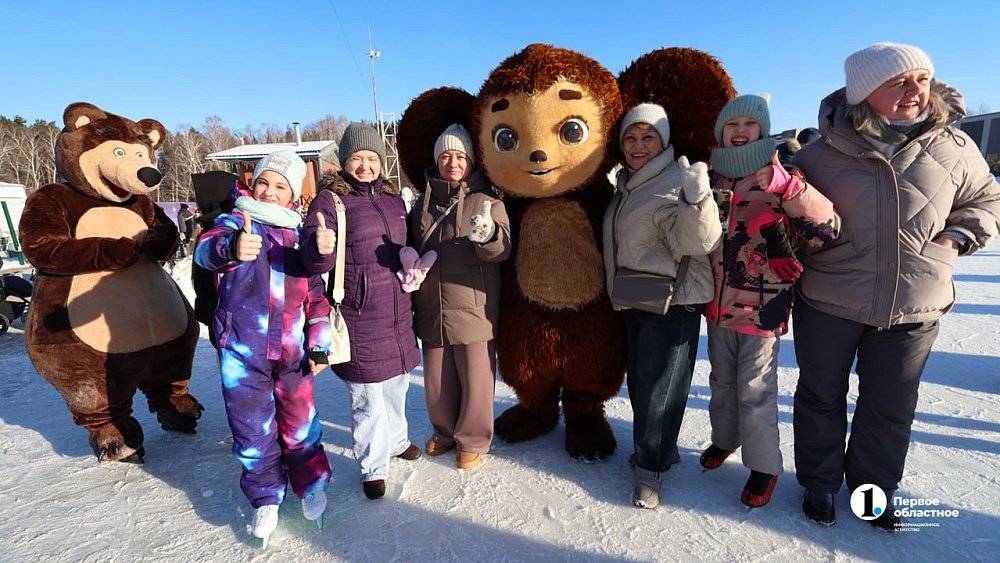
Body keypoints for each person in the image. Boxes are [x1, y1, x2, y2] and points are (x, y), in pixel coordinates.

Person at [791, 42, 1000, 531]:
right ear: (865, 93)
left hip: (915, 303)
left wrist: (957, 236)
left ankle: (872, 492)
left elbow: (986, 199)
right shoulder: (821, 154)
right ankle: (820, 485)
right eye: (899, 82)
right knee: (821, 396)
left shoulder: (955, 146)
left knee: (890, 408)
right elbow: (789, 217)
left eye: (922, 79)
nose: (915, 91)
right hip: (830, 299)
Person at [701, 95, 840, 508]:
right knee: (721, 382)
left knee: (756, 389)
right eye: (731, 124)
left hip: (763, 305)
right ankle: (724, 439)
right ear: (720, 133)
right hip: (717, 302)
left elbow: (827, 229)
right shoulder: (713, 177)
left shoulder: (782, 174)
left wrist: (788, 189)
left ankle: (764, 465)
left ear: (763, 131)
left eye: (749, 123)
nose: (740, 130)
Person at [194, 150, 332, 546]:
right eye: (264, 183)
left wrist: (319, 341)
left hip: (292, 355)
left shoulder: (299, 234)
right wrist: (232, 248)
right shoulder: (234, 221)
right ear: (252, 184)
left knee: (300, 425)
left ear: (292, 194)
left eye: (280, 186)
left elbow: (316, 296)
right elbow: (206, 250)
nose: (269, 192)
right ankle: (265, 496)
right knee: (252, 430)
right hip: (243, 352)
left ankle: (311, 485)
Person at [603, 103, 722, 509]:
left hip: (675, 301)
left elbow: (700, 242)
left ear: (664, 140)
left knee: (659, 391)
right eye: (631, 138)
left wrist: (697, 196)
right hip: (638, 296)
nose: (638, 145)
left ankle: (649, 471)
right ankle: (661, 450)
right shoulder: (631, 182)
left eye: (648, 137)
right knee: (643, 384)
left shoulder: (677, 180)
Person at [301, 122, 422, 500]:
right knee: (367, 397)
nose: (366, 165)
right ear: (344, 161)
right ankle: (373, 465)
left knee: (397, 386)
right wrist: (318, 246)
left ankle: (398, 440)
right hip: (359, 313)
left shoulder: (393, 200)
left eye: (372, 158)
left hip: (398, 311)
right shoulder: (330, 201)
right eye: (357, 158)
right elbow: (312, 260)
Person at [407, 124, 512, 470]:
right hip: (432, 305)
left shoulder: (488, 201)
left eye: (460, 156)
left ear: (470, 161)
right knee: (437, 381)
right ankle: (445, 431)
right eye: (446, 156)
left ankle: (474, 438)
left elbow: (502, 250)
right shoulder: (420, 205)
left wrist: (488, 235)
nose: (453, 162)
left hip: (473, 307)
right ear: (437, 160)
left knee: (476, 379)